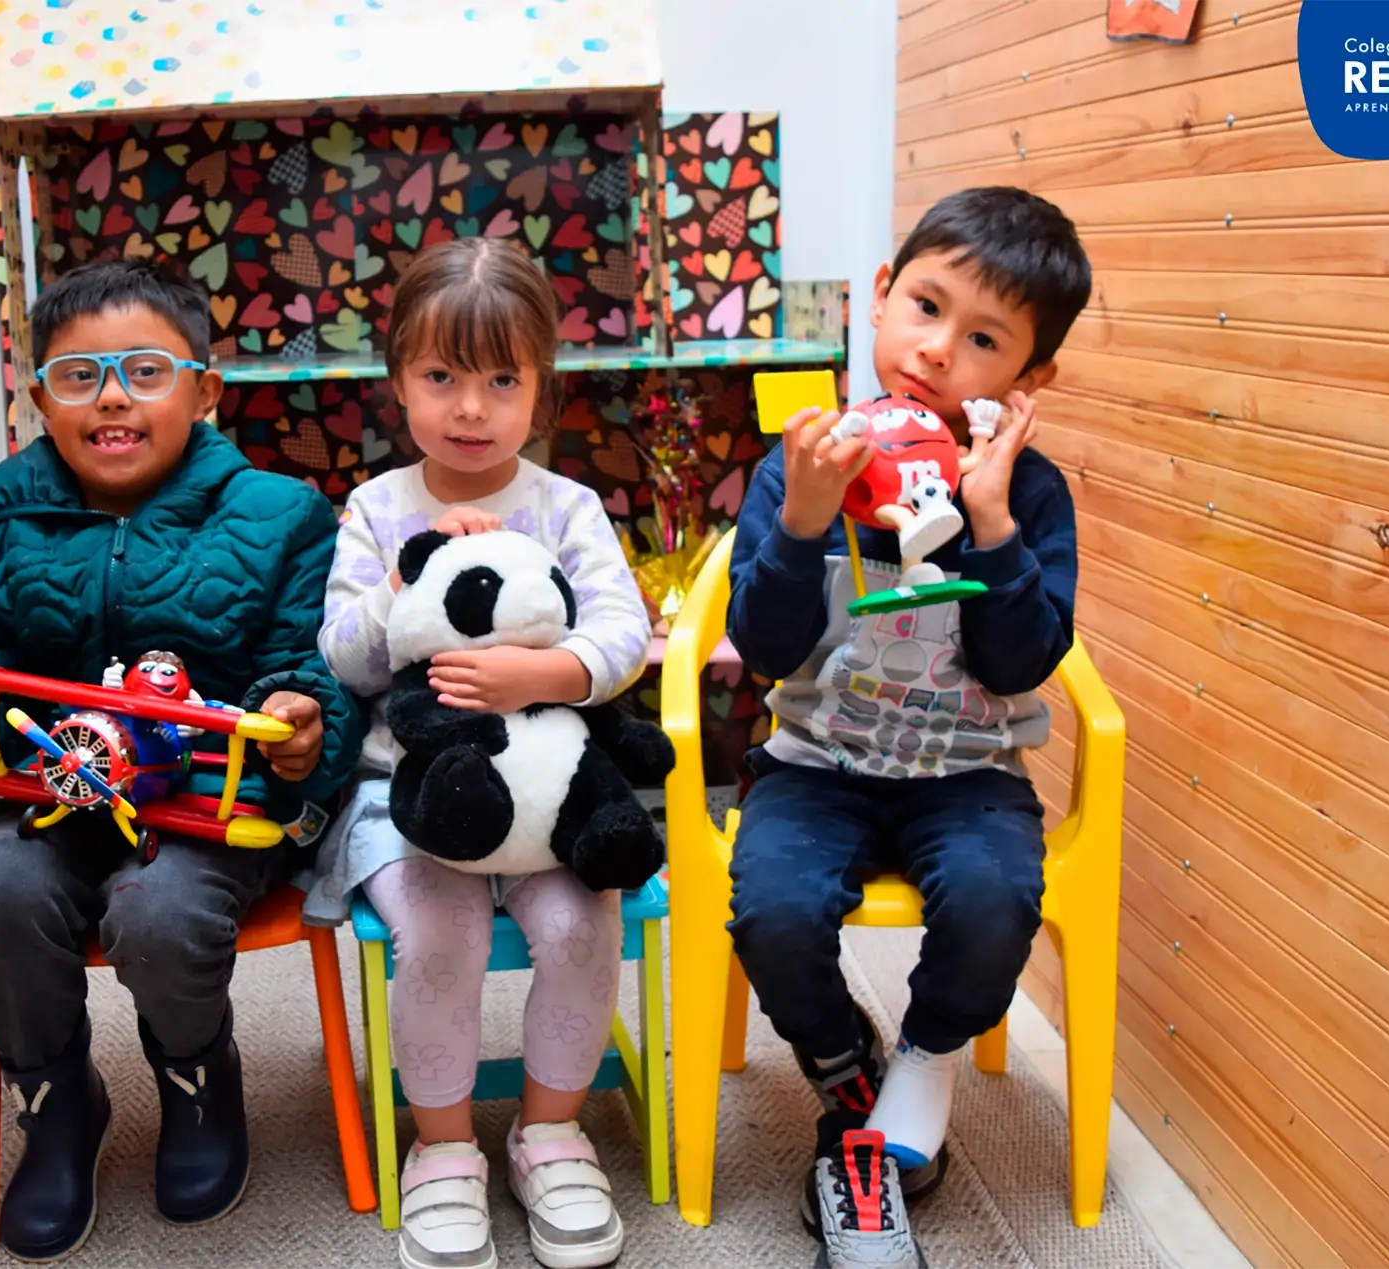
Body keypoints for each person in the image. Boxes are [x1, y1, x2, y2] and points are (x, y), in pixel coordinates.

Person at [0, 259, 365, 1261]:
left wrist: (305, 719)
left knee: (162, 910)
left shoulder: (283, 516)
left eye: (145, 370)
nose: (112, 395)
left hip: (208, 806)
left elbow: (309, 674)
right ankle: (55, 1101)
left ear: (204, 387)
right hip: (54, 797)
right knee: (0, 892)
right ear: (40, 398)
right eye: (79, 375)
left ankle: (195, 1075)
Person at [725, 186, 1091, 1268]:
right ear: (880, 298)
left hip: (966, 768)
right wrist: (799, 519)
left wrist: (988, 520)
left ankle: (926, 1055)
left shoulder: (1031, 494)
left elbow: (1026, 659)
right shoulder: (803, 464)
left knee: (993, 896)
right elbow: (770, 648)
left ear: (1028, 382)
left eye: (983, 340)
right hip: (819, 761)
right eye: (925, 308)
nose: (937, 353)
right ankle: (845, 1066)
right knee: (775, 906)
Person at [310, 237, 652, 1269]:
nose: (471, 407)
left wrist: (540, 677)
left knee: (583, 924)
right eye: (441, 377)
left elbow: (624, 633)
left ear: (541, 388)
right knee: (442, 937)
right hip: (403, 794)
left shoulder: (566, 507)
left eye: (502, 379)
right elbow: (346, 657)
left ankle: (549, 1130)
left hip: (547, 799)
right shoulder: (377, 510)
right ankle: (444, 1148)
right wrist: (409, 590)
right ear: (399, 381)